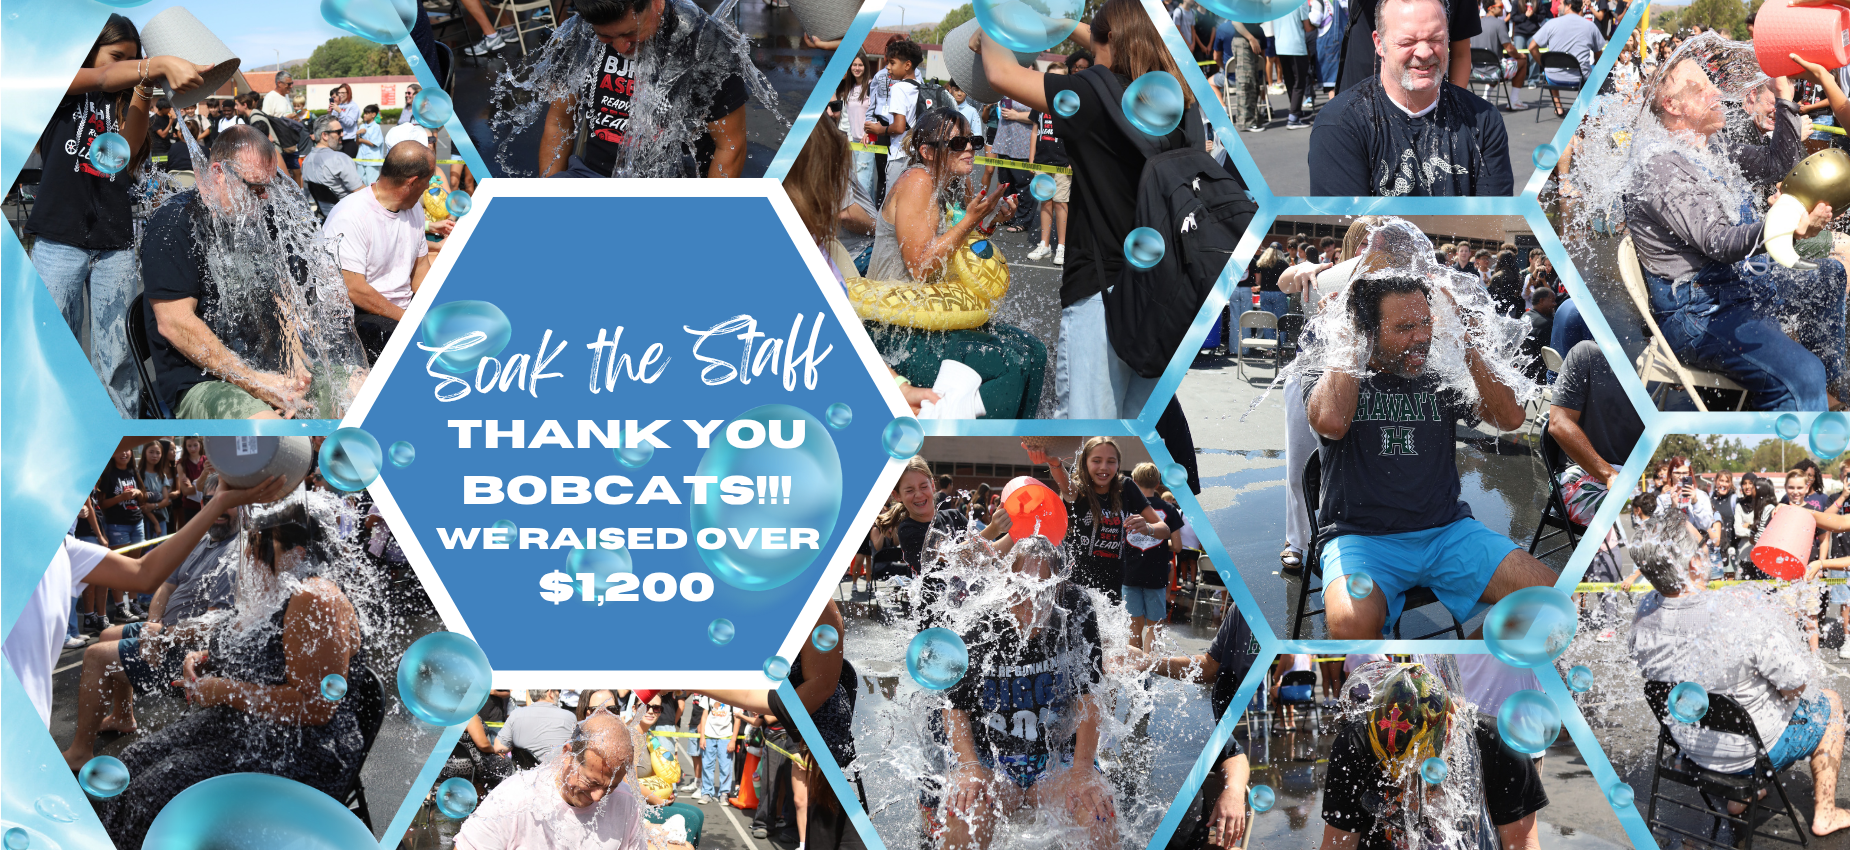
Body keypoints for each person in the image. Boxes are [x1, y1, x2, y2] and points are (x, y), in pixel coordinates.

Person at [91, 483, 371, 847]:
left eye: (259, 545)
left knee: (156, 788)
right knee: (132, 761)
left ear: (296, 553)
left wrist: (222, 689)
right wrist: (201, 659)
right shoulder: (282, 584)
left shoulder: (314, 598)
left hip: (301, 749)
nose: (250, 555)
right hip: (248, 724)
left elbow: (316, 707)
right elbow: (247, 643)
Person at [975, 0, 1205, 418]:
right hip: (1165, 296)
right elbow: (1132, 41)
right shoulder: (1183, 102)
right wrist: (1069, 26)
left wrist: (990, 28)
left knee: (1089, 432)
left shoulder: (1094, 97)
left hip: (1103, 296)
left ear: (1110, 40)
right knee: (1135, 429)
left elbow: (1001, 74)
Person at [1305, 273, 1554, 639]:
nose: (1420, 337)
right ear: (1368, 331)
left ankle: (1464, 670)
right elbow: (1331, 422)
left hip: (1446, 532)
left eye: (1426, 323)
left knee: (1551, 599)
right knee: (1350, 626)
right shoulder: (1331, 368)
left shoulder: (1439, 371)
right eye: (1404, 327)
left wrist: (1463, 340)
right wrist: (1349, 346)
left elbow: (1510, 418)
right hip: (1362, 538)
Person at [1626, 52, 1846, 411]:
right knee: (1803, 375)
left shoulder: (1713, 147)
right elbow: (1719, 242)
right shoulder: (1661, 167)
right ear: (1672, 105)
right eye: (1701, 89)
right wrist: (1784, 226)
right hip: (1699, 312)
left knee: (1829, 276)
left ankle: (1831, 395)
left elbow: (1779, 165)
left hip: (1737, 285)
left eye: (1712, 83)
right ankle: (1801, 412)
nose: (1717, 93)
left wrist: (1785, 97)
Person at [1627, 507, 1850, 836]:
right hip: (1748, 752)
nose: (1708, 546)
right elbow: (1798, 685)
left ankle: (1743, 795)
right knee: (1830, 704)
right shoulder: (1743, 617)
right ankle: (1825, 813)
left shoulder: (1642, 615)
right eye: (1702, 541)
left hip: (1690, 747)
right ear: (1693, 564)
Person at [27, 16, 210, 417]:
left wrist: (144, 89)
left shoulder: (128, 97)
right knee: (53, 347)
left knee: (119, 359)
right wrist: (154, 64)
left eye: (134, 59)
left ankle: (117, 424)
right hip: (58, 239)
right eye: (117, 56)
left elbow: (125, 155)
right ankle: (54, 423)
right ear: (91, 51)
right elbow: (104, 76)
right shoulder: (63, 85)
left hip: (115, 244)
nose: (125, 66)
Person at [143, 126, 365, 419]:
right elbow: (175, 324)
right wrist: (257, 383)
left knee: (366, 388)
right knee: (276, 436)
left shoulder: (261, 215)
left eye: (268, 187)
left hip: (268, 369)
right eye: (255, 187)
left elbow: (277, 292)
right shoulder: (174, 226)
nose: (265, 198)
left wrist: (293, 357)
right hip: (205, 379)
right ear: (219, 173)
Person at [864, 108, 1048, 419]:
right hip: (892, 331)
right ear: (927, 151)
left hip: (927, 320)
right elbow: (921, 267)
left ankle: (1019, 435)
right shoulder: (918, 180)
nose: (968, 148)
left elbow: (953, 253)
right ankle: (973, 436)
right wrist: (971, 221)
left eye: (973, 141)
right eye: (956, 143)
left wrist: (991, 222)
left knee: (1034, 350)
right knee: (1009, 364)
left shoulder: (946, 184)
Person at [941, 536, 1114, 850]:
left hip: (1057, 758)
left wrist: (1082, 771)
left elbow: (1090, 696)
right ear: (1007, 582)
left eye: (1043, 588)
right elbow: (954, 704)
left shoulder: (1073, 614)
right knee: (963, 818)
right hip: (993, 760)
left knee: (1099, 819)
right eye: (1021, 586)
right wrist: (968, 768)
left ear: (1058, 588)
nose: (1031, 599)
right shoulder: (982, 620)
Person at [58, 492, 242, 771]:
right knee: (108, 635)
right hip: (166, 630)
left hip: (190, 650)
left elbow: (216, 622)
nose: (220, 508)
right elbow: (166, 585)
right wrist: (154, 623)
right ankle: (123, 716)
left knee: (96, 655)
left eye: (229, 503)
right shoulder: (200, 539)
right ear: (204, 504)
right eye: (212, 500)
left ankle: (80, 752)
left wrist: (162, 636)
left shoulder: (235, 554)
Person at [1319, 660, 1547, 848]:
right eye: (1396, 776)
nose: (1411, 792)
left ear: (1450, 737)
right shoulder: (1354, 745)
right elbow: (1337, 844)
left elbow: (1522, 841)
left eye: (1420, 775)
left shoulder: (1497, 745)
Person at [1309, 0, 1513, 196]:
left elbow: (1493, 215)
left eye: (1436, 39)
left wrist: (1454, 113)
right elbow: (1350, 224)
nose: (1424, 52)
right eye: (1408, 41)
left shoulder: (1484, 121)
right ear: (1379, 44)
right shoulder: (1338, 126)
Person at [538, 0, 754, 178]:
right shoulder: (580, 33)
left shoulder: (704, 45)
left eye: (631, 34)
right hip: (593, 176)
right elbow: (559, 123)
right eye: (606, 37)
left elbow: (730, 146)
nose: (621, 48)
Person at [458, 714, 692, 850]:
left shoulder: (625, 802)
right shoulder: (514, 798)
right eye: (591, 782)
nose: (599, 797)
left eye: (610, 786)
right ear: (567, 754)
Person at [322, 140, 449, 361]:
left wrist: (442, 306)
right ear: (412, 183)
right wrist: (409, 319)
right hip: (360, 316)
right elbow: (355, 290)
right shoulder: (351, 215)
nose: (429, 188)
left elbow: (420, 271)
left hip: (401, 311)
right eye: (428, 181)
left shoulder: (414, 209)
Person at [1025, 437, 1168, 603]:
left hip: (1113, 586)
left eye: (1111, 461)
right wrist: (1054, 462)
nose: (1104, 467)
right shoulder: (1079, 489)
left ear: (1118, 465)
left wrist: (1147, 528)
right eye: (1096, 461)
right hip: (1076, 586)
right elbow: (1066, 487)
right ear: (1085, 462)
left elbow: (1164, 529)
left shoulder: (1126, 487)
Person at [1548, 340, 1645, 527]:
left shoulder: (1667, 371)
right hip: (1582, 474)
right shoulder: (1589, 353)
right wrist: (1610, 475)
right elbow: (1558, 423)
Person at [622, 691, 705, 844]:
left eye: (656, 708)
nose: (651, 711)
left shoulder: (648, 736)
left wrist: (665, 793)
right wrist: (658, 800)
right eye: (645, 706)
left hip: (646, 801)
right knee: (692, 818)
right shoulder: (631, 737)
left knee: (698, 813)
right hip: (631, 807)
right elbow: (628, 782)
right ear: (634, 708)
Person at [1123, 462, 1182, 650]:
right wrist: (1162, 542)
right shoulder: (1169, 510)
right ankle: (1147, 666)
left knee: (1133, 627)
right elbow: (1178, 547)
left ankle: (1134, 669)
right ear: (1158, 484)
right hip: (1156, 573)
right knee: (1154, 627)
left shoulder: (1126, 506)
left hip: (1129, 573)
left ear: (1133, 482)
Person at [1526, 0, 1606, 117]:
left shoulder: (1551, 24)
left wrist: (1544, 65)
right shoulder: (1590, 26)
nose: (1558, 7)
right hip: (1579, 77)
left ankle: (1558, 107)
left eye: (1560, 4)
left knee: (1551, 68)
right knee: (1595, 69)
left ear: (1569, 6)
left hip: (1553, 77)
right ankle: (1587, 107)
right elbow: (1599, 55)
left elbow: (1532, 47)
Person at [1025, 68, 1072, 265]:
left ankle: (1061, 246)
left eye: (1061, 76)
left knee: (1061, 203)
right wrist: (1031, 158)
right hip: (1042, 161)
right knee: (1045, 201)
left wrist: (1072, 160)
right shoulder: (1040, 100)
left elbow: (1076, 134)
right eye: (1053, 76)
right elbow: (1035, 130)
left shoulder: (1070, 103)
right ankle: (1044, 245)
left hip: (1063, 162)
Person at [498, 689, 582, 766]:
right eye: (558, 690)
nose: (559, 694)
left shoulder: (515, 714)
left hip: (525, 774)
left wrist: (514, 743)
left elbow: (498, 747)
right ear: (550, 692)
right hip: (556, 775)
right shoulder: (569, 717)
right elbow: (578, 750)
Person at [1471, 1, 1528, 109]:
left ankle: (1486, 96)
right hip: (1494, 72)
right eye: (1500, 6)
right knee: (1523, 62)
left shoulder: (1475, 23)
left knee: (1498, 63)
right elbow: (1509, 48)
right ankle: (1514, 101)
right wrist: (1520, 56)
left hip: (1476, 72)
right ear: (1491, 8)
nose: (1503, 9)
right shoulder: (1499, 23)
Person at [303, 115, 363, 216]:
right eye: (338, 132)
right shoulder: (340, 159)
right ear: (325, 135)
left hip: (326, 215)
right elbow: (361, 192)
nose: (343, 134)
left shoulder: (306, 160)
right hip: (348, 213)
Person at [691, 693, 737, 803]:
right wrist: (702, 736)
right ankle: (706, 793)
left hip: (725, 737)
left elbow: (737, 719)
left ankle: (724, 793)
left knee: (725, 767)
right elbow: (704, 716)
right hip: (709, 736)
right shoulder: (709, 695)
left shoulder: (734, 695)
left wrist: (733, 740)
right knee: (707, 766)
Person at [1520, 287, 1557, 380]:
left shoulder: (1526, 315)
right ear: (1541, 301)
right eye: (1552, 301)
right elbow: (1553, 355)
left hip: (1524, 370)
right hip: (1539, 376)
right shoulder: (1546, 324)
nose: (1555, 304)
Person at [329, 83, 362, 157]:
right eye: (339, 93)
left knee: (348, 165)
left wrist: (340, 111)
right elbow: (333, 121)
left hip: (349, 140)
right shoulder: (339, 105)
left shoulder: (353, 106)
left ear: (348, 93)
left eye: (343, 93)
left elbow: (349, 123)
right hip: (338, 139)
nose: (340, 95)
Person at [355, 104, 385, 181]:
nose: (364, 115)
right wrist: (358, 134)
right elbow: (357, 142)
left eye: (367, 113)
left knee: (371, 182)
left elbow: (373, 143)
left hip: (372, 160)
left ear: (373, 114)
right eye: (364, 113)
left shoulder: (376, 127)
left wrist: (362, 140)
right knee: (360, 181)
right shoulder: (362, 126)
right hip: (361, 159)